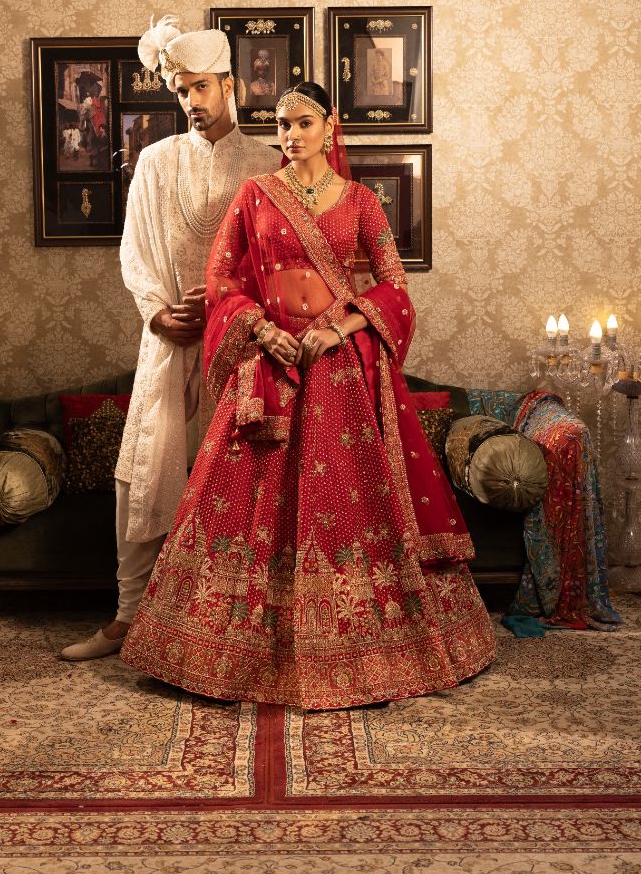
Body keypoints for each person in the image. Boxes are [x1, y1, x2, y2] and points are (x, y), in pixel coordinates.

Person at [120, 81, 496, 709]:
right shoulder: (256, 194)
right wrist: (261, 328)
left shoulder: (361, 203)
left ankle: (367, 647)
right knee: (247, 500)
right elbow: (219, 277)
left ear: (331, 126)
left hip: (338, 370)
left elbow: (394, 287)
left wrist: (338, 328)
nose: (289, 135)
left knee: (342, 502)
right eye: (281, 124)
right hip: (269, 363)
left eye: (302, 122)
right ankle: (224, 649)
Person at [61, 16, 278, 661]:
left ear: (231, 85)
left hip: (239, 346)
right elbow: (133, 253)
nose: (191, 102)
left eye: (202, 88)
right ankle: (127, 620)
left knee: (239, 480)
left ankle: (228, 628)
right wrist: (157, 313)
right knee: (146, 474)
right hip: (168, 340)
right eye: (181, 91)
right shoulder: (155, 161)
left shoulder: (268, 166)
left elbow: (279, 263)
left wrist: (227, 310)